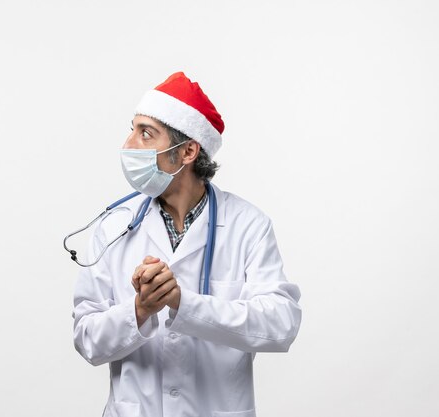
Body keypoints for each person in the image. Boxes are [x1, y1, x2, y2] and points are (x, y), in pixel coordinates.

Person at [72, 72, 302, 417]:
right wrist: (140, 310)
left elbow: (281, 325)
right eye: (132, 128)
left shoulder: (247, 225)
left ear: (188, 151)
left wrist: (184, 303)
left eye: (145, 133)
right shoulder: (115, 225)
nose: (129, 144)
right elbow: (87, 339)